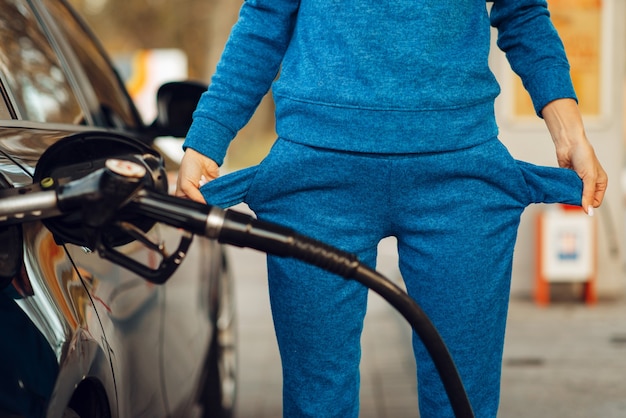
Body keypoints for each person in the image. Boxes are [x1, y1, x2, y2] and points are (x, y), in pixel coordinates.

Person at [176, 1, 607, 416]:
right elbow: (266, 16)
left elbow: (523, 10)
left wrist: (570, 136)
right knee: (317, 405)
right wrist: (208, 137)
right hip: (317, 177)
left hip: (459, 176)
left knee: (463, 402)